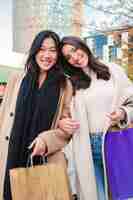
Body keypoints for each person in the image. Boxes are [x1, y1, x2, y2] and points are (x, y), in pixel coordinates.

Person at [0, 30, 73, 200]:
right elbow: (3, 115)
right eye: (42, 49)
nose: (47, 55)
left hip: (45, 160)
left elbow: (66, 129)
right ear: (34, 51)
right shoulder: (17, 78)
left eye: (53, 50)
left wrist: (46, 141)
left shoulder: (64, 84)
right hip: (11, 154)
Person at [58, 36, 133, 200]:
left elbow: (131, 101)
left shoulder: (113, 70)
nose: (75, 58)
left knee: (124, 194)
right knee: (96, 195)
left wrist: (122, 113)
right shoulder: (70, 83)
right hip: (87, 146)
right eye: (68, 57)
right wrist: (62, 121)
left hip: (116, 141)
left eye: (74, 50)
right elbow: (62, 113)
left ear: (82, 46)